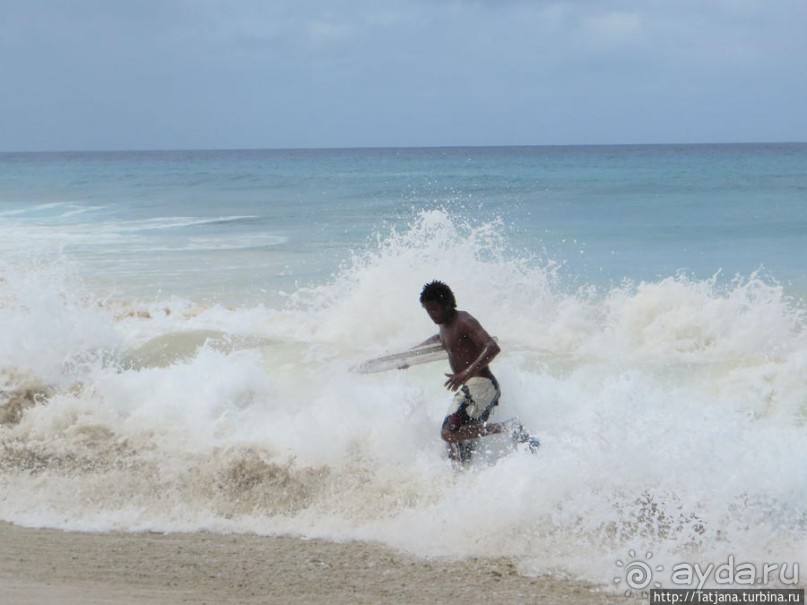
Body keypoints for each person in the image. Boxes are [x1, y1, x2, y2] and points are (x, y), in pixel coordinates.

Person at [416, 280, 539, 464]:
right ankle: (463, 484)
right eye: (427, 311)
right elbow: (437, 339)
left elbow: (492, 347)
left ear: (448, 304)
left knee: (450, 432)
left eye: (434, 309)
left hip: (482, 385)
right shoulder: (444, 326)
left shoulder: (465, 321)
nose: (431, 315)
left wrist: (465, 373)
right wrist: (411, 355)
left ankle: (509, 427)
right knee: (459, 450)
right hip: (471, 387)